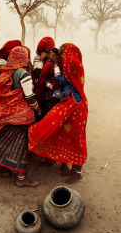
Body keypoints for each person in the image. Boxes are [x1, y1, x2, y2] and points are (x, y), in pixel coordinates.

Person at [0, 46, 41, 187]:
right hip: (21, 118)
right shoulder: (23, 74)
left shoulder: (4, 73)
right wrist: (37, 108)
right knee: (21, 147)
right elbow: (29, 97)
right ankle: (21, 178)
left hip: (2, 115)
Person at [28, 43, 88, 182]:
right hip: (73, 103)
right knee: (68, 134)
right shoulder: (74, 64)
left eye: (61, 53)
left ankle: (77, 172)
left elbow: (61, 81)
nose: (59, 56)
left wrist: (55, 64)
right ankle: (72, 169)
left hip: (76, 105)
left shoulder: (72, 64)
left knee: (75, 137)